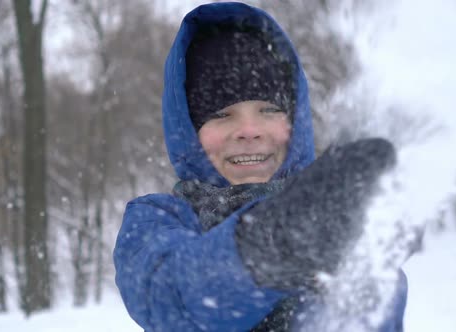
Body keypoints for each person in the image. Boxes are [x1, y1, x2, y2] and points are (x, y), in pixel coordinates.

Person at [114, 2, 408, 331]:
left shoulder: (336, 217)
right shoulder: (156, 219)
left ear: (294, 122)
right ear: (189, 131)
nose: (249, 130)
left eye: (268, 109)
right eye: (221, 114)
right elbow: (171, 293)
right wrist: (273, 243)